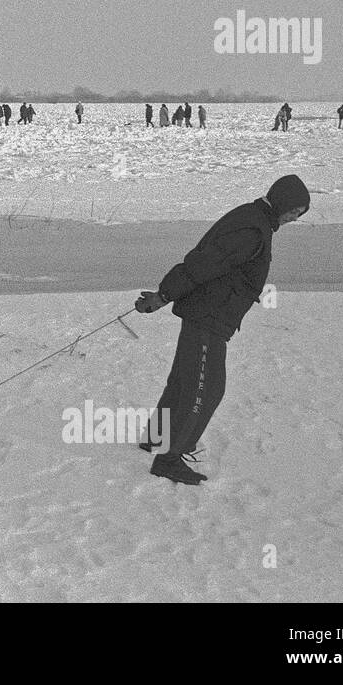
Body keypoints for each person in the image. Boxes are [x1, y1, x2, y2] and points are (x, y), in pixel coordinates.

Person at [134, 174, 311, 485]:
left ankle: (157, 439)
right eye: (295, 210)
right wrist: (164, 295)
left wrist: (167, 294)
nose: (295, 218)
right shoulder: (252, 231)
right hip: (209, 316)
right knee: (206, 388)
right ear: (282, 203)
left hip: (209, 312)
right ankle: (169, 458)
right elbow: (204, 263)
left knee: (184, 380)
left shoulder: (253, 219)